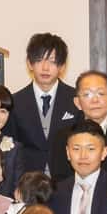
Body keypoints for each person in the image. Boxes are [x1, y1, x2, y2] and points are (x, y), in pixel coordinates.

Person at [46, 70, 107, 182]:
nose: (95, 100)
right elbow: (60, 180)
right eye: (87, 94)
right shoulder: (62, 136)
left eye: (100, 94)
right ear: (77, 103)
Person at [6, 32, 79, 173]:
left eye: (52, 61)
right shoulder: (15, 101)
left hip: (67, 177)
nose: (45, 68)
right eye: (39, 60)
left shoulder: (75, 99)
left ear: (62, 66)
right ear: (29, 63)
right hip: (27, 179)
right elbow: (11, 147)